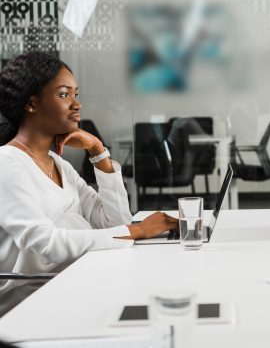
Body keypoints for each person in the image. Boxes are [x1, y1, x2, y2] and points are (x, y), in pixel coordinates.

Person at [0, 52, 178, 316]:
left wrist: (98, 152)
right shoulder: (7, 163)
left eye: (76, 94)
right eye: (64, 95)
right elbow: (47, 244)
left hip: (77, 278)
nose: (76, 105)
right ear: (31, 104)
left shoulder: (58, 164)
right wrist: (137, 231)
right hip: (33, 298)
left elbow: (114, 220)